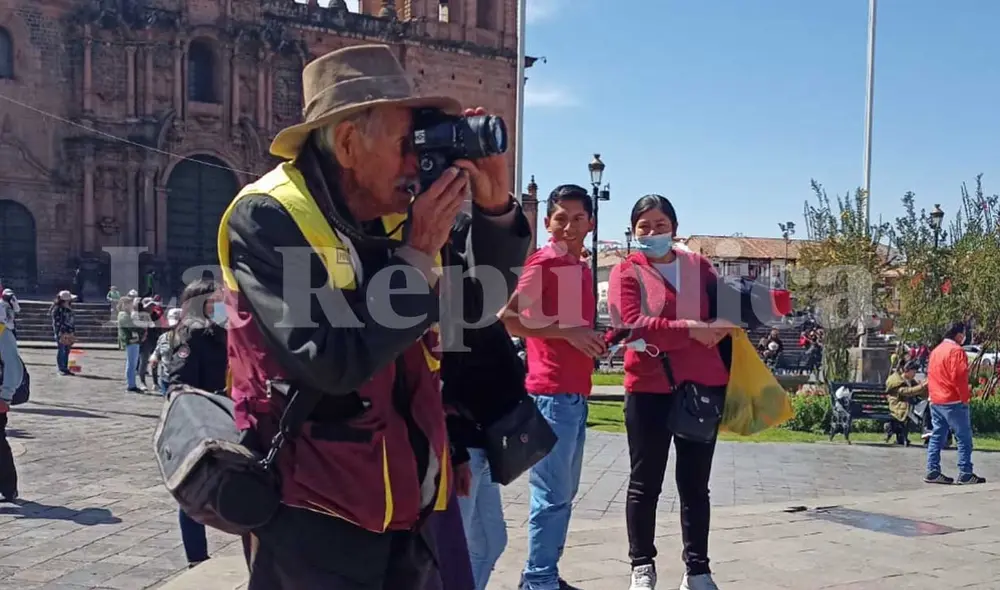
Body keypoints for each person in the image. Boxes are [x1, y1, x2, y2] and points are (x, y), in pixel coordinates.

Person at [218, 44, 530, 589]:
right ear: (346, 142)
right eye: (408, 144)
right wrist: (414, 258)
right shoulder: (268, 216)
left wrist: (496, 208)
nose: (418, 163)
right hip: (312, 510)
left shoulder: (397, 218)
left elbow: (474, 309)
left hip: (407, 499)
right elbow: (330, 361)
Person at [608, 194, 734, 590]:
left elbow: (729, 307)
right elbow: (632, 324)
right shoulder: (627, 271)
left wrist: (724, 322)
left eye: (660, 225)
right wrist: (693, 330)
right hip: (648, 387)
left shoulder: (700, 266)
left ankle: (698, 569)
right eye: (643, 226)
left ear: (674, 228)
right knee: (645, 482)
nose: (652, 232)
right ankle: (641, 565)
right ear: (633, 232)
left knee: (695, 485)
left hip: (701, 387)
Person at [500, 184, 608, 590]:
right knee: (551, 495)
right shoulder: (543, 262)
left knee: (562, 494)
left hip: (574, 395)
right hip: (550, 396)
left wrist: (589, 338)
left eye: (578, 218)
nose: (569, 226)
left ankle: (543, 575)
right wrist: (568, 333)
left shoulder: (578, 267)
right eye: (561, 218)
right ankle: (539, 579)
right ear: (547, 223)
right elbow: (508, 318)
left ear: (591, 224)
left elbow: (567, 331)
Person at [165, 279, 229, 568]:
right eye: (213, 299)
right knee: (193, 490)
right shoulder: (192, 334)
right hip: (205, 421)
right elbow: (178, 383)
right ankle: (196, 559)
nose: (220, 304)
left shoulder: (222, 331)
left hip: (228, 414)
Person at [925, 321, 985, 485]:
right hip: (953, 400)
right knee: (963, 437)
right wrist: (965, 397)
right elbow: (959, 377)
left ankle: (932, 470)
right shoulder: (956, 351)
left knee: (937, 435)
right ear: (959, 334)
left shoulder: (936, 351)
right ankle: (965, 472)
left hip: (936, 399)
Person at [884, 360, 927, 446]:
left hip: (909, 406)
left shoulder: (910, 381)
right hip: (899, 407)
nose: (915, 374)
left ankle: (927, 434)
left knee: (927, 406)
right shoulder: (897, 381)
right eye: (913, 372)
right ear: (907, 370)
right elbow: (906, 391)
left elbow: (920, 393)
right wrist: (922, 386)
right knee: (924, 411)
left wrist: (925, 389)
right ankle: (926, 433)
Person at [149, 308, 183, 396]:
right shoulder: (163, 337)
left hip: (182, 380)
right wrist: (154, 358)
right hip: (166, 378)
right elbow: (156, 352)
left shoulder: (189, 339)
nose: (175, 326)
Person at [117, 297, 145, 393]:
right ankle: (131, 384)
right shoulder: (123, 315)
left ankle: (132, 383)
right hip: (130, 340)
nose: (131, 306)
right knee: (131, 363)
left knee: (133, 362)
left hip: (134, 340)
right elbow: (133, 326)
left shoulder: (127, 314)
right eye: (129, 304)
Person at [50, 290, 76, 375]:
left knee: (67, 350)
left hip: (69, 332)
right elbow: (57, 323)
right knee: (62, 350)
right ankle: (61, 368)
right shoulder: (57, 309)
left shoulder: (68, 308)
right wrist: (60, 333)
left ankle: (65, 367)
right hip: (62, 332)